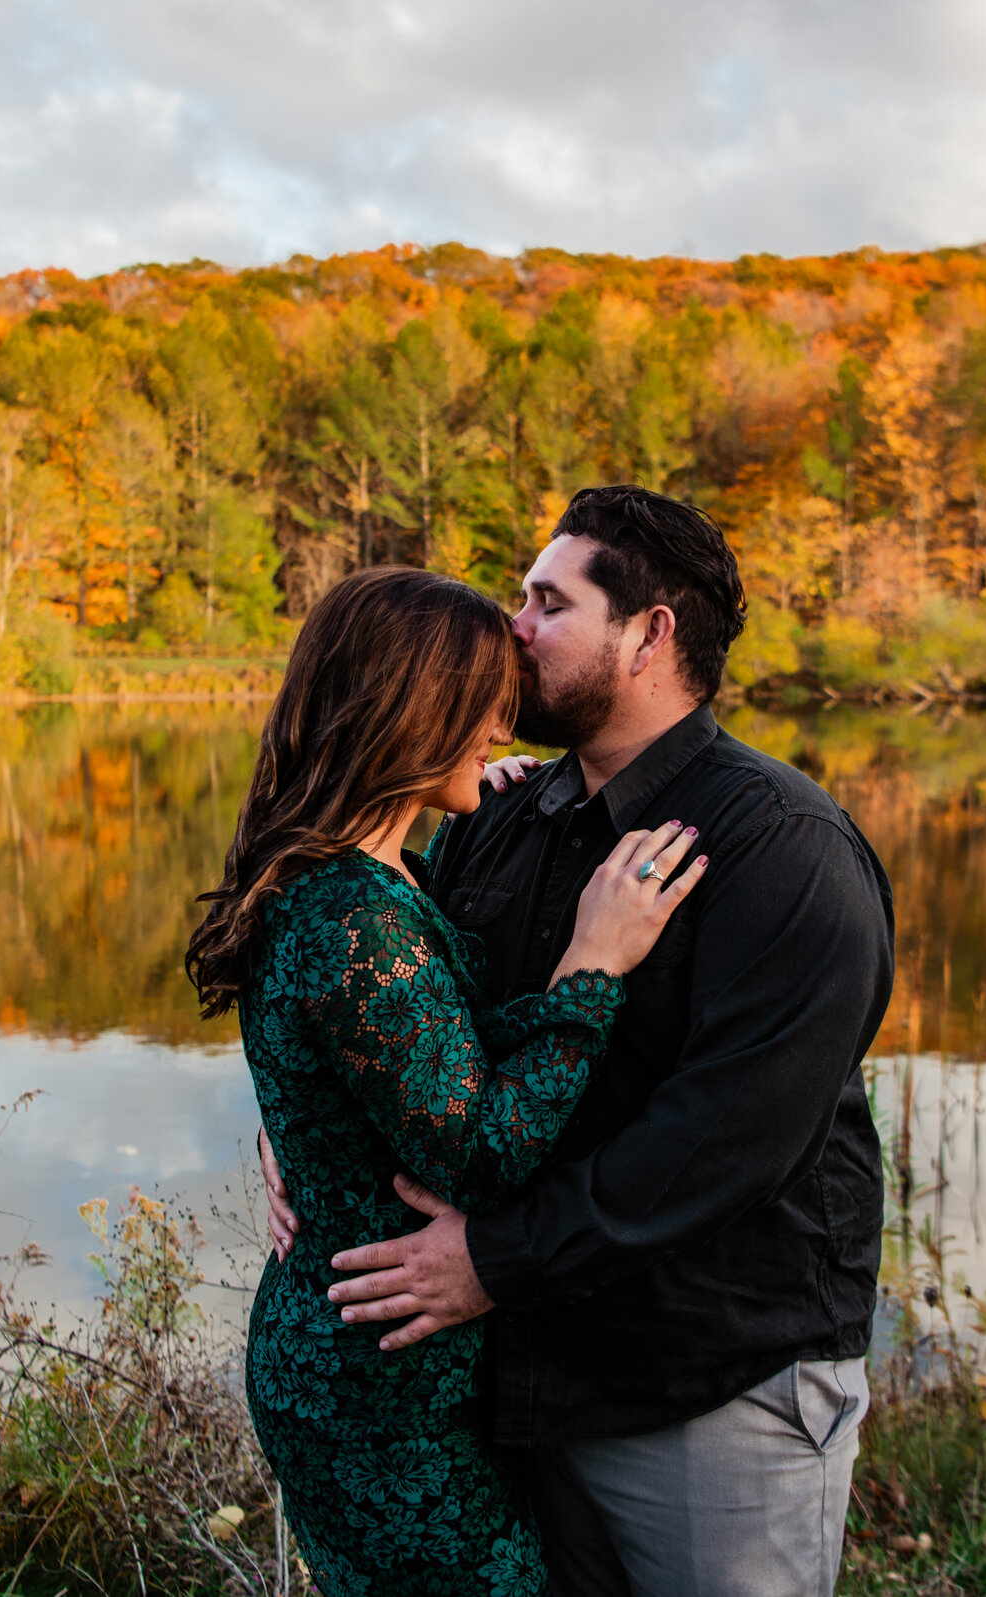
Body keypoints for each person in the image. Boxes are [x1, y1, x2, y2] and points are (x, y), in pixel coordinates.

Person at [266, 487, 898, 1597]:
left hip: (708, 1390)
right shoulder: (496, 815)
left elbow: (728, 1141)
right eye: (519, 594)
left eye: (547, 602)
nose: (512, 625)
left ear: (649, 634)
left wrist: (492, 1264)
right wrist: (312, 1147)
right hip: (517, 1381)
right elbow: (398, 1038)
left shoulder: (782, 850)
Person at [188, 565, 708, 1597]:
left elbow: (422, 1064)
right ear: (411, 711)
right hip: (374, 1397)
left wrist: (473, 808)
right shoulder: (352, 917)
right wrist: (592, 967)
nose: (506, 725)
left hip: (364, 1366)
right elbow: (481, 1149)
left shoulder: (368, 877)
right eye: (484, 703)